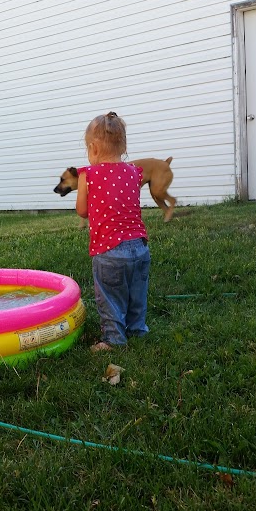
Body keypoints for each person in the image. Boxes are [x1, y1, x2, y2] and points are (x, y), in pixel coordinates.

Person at [76, 111, 150, 351]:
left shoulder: (88, 174)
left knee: (109, 296)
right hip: (139, 248)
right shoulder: (134, 172)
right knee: (136, 294)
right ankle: (137, 329)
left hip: (109, 251)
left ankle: (114, 338)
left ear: (94, 148)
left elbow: (82, 211)